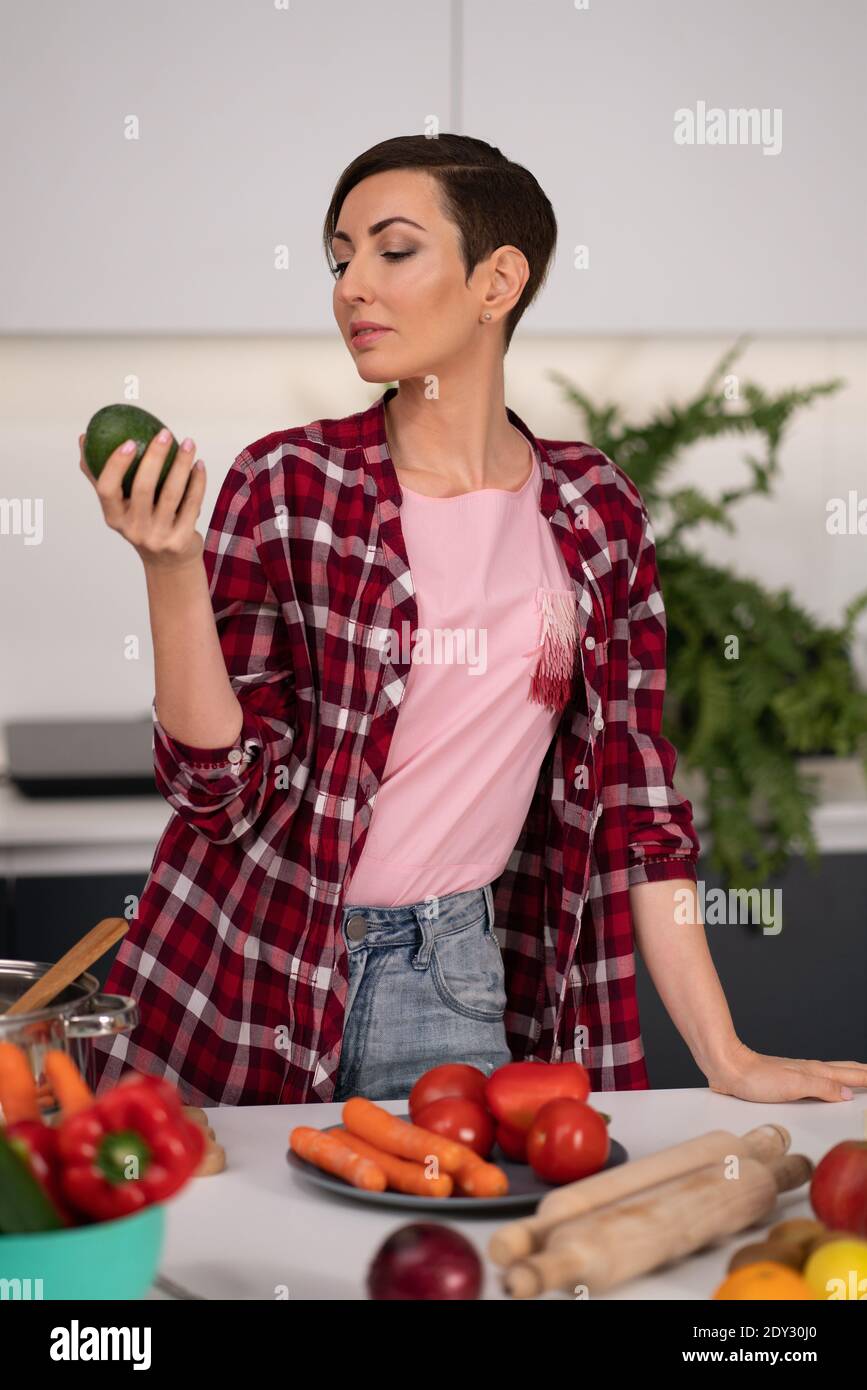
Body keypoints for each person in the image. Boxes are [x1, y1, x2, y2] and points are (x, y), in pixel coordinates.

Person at [82, 133, 865, 1106]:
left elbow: (640, 812)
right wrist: (169, 565)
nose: (351, 286)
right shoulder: (289, 485)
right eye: (339, 258)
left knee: (448, 1253)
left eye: (392, 249)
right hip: (247, 972)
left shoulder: (594, 510)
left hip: (450, 977)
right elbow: (217, 795)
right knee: (226, 1258)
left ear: (498, 279)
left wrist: (726, 1054)